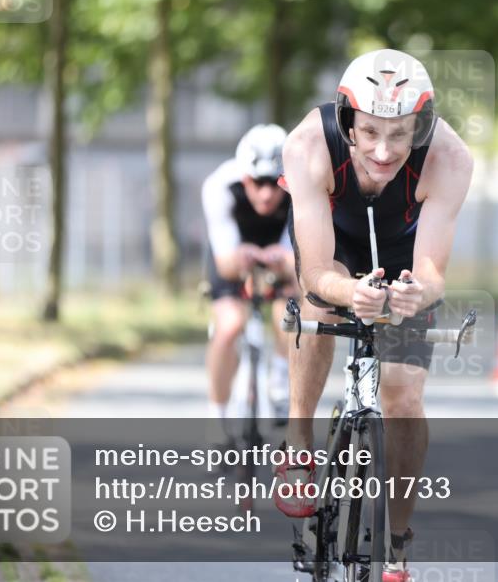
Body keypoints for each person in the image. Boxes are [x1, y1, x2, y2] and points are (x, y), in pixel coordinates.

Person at [277, 49, 473, 582]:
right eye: (369, 133)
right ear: (347, 121)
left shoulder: (450, 159)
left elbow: (432, 273)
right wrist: (346, 291)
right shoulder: (307, 146)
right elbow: (317, 268)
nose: (384, 152)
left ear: (421, 125)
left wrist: (417, 294)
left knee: (405, 395)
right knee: (318, 305)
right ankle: (299, 444)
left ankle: (398, 542)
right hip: (335, 248)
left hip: (405, 255)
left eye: (400, 134)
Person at [201, 124, 296, 444]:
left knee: (293, 308)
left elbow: (299, 266)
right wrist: (244, 256)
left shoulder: (302, 186)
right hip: (233, 248)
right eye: (258, 183)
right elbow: (226, 264)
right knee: (229, 326)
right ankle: (217, 421)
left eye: (274, 183)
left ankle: (280, 382)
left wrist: (281, 260)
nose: (267, 193)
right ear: (244, 178)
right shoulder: (219, 185)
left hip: (281, 250)